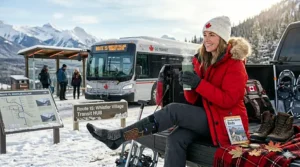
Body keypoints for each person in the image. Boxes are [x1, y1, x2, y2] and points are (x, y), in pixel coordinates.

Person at [86, 16, 252, 167]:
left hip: (227, 122)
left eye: (212, 35)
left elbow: (228, 100)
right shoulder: (204, 61)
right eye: (205, 34)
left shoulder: (235, 64)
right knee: (175, 139)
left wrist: (199, 84)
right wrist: (189, 85)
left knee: (173, 110)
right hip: (209, 118)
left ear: (222, 37)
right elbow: (193, 100)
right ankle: (119, 137)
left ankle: (119, 136)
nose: (206, 40)